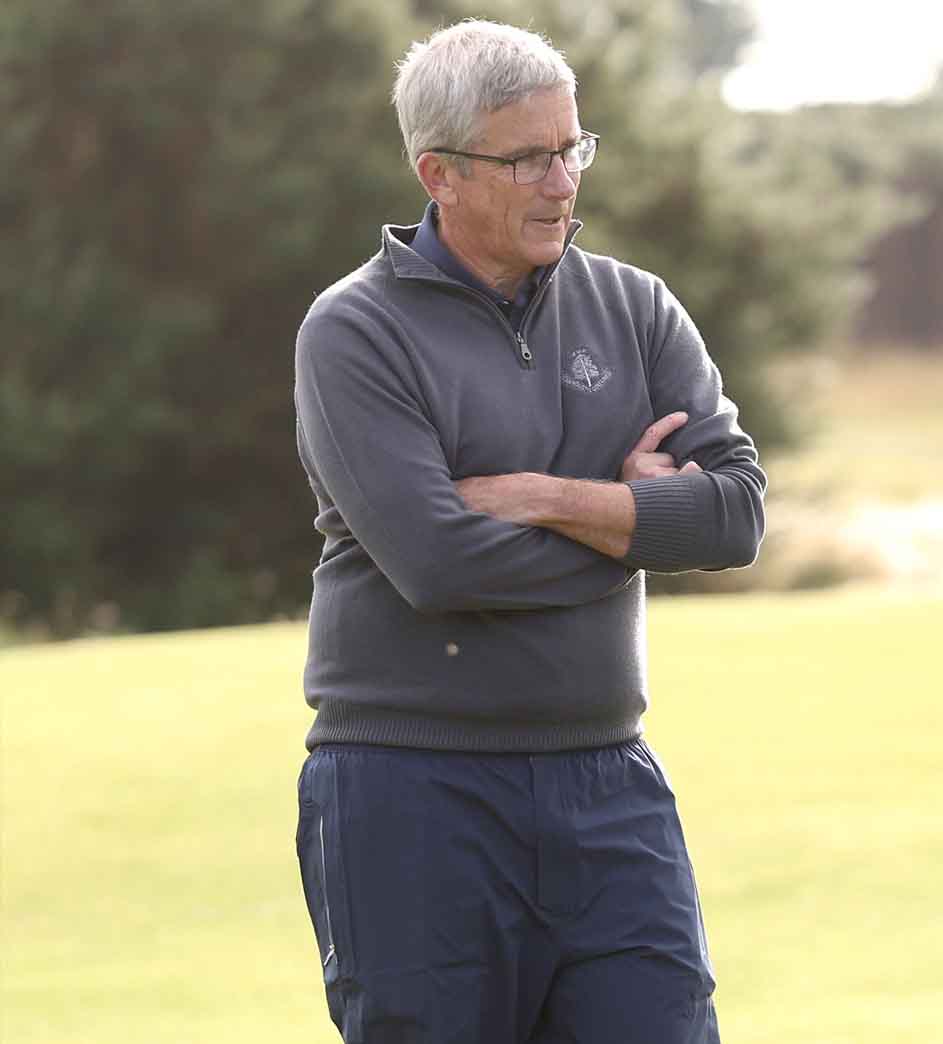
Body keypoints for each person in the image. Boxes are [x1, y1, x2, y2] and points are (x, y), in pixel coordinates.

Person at [291, 20, 764, 1043]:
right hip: (409, 794)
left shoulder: (636, 308)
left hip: (609, 783)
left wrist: (561, 500)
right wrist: (641, 523)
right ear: (440, 173)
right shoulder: (352, 330)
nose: (562, 182)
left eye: (573, 148)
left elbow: (733, 515)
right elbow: (437, 560)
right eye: (528, 159)